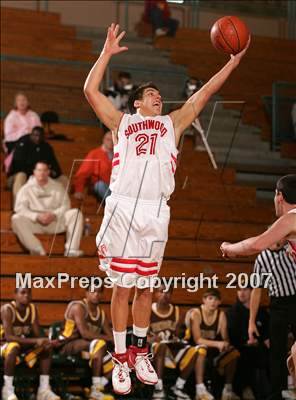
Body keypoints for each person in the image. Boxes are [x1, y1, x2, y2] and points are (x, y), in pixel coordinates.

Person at [83, 22, 249, 395]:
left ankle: (141, 351)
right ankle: (121, 356)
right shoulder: (121, 123)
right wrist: (106, 53)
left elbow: (204, 94)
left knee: (145, 288)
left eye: (160, 95)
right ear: (137, 102)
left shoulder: (172, 124)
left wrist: (232, 64)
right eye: (152, 95)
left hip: (156, 211)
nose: (159, 98)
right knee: (122, 288)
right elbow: (89, 90)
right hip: (125, 208)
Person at [248, 245, 296, 400]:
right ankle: (277, 393)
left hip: (295, 299)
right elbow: (256, 289)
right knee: (276, 352)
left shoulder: (291, 249)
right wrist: (251, 321)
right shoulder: (261, 259)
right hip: (277, 304)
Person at [11, 161, 83, 257]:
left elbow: (66, 205)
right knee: (16, 218)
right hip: (35, 223)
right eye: (39, 170)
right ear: (34, 172)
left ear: (48, 172)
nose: (42, 173)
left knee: (75, 213)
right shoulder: (26, 188)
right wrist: (36, 216)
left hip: (54, 221)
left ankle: (72, 249)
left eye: (45, 170)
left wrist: (54, 214)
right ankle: (36, 249)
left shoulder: (58, 187)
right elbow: (19, 208)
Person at [0, 288, 60, 400]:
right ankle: (7, 389)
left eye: (29, 293)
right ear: (15, 295)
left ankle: (43, 390)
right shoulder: (7, 309)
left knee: (46, 348)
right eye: (22, 293)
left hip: (22, 346)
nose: (26, 296)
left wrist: (48, 341)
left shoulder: (32, 309)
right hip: (4, 344)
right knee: (13, 346)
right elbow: (8, 337)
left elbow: (37, 334)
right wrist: (35, 341)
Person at [220, 174, 296, 260]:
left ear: (280, 196)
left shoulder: (291, 219)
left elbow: (256, 245)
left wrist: (228, 248)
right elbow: (274, 243)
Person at [59, 285, 114, 400]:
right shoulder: (78, 307)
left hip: (88, 347)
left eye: (99, 292)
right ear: (86, 292)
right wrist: (109, 338)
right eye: (93, 291)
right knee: (99, 343)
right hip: (67, 344)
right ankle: (95, 388)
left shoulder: (101, 314)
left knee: (120, 358)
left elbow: (110, 336)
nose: (96, 294)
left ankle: (97, 388)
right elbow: (84, 333)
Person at [185, 289, 240, 400]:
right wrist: (217, 344)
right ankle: (200, 390)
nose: (213, 302)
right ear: (204, 300)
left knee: (234, 353)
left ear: (220, 302)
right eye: (210, 298)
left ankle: (227, 389)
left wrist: (225, 345)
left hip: (213, 352)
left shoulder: (221, 315)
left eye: (216, 299)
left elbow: (225, 339)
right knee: (201, 349)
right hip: (195, 350)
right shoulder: (196, 313)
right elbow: (197, 339)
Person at [149, 284, 199, 400]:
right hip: (153, 349)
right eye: (161, 291)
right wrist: (152, 339)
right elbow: (142, 336)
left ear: (171, 295)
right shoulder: (148, 310)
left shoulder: (177, 311)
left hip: (172, 348)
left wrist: (177, 337)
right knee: (160, 346)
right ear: (156, 293)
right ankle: (158, 388)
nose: (164, 295)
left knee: (194, 351)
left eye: (168, 292)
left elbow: (178, 334)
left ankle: (178, 387)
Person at [227, 288, 270, 399]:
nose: (241, 293)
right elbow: (231, 335)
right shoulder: (232, 312)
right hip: (239, 347)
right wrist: (246, 342)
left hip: (259, 347)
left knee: (267, 354)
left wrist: (259, 341)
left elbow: (266, 334)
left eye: (245, 290)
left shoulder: (261, 312)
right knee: (246, 355)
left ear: (252, 292)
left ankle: (272, 391)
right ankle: (245, 389)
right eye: (239, 290)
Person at [7, 126, 68, 203]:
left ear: (43, 137)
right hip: (19, 177)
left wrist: (52, 172)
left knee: (63, 179)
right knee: (21, 175)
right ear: (31, 135)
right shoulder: (22, 145)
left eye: (40, 136)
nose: (38, 138)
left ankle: (59, 208)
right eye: (35, 135)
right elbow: (18, 167)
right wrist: (36, 173)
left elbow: (56, 166)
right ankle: (18, 207)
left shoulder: (46, 147)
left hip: (42, 176)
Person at [73, 131, 113, 201]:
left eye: (113, 140)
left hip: (115, 186)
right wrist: (79, 190)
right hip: (100, 185)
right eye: (108, 139)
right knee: (100, 185)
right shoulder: (94, 153)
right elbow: (83, 173)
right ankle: (114, 206)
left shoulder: (119, 154)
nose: (111, 142)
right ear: (103, 140)